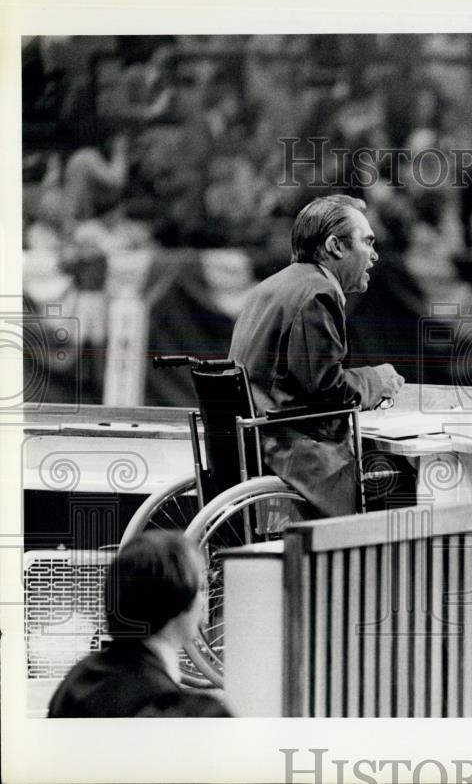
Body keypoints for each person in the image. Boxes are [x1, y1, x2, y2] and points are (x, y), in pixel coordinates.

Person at [228, 195, 405, 517]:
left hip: (255, 447)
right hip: (294, 456)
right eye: (367, 242)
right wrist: (375, 380)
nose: (375, 256)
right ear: (336, 246)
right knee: (399, 477)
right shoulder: (317, 293)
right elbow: (327, 390)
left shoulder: (270, 287)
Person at [48, 532, 230, 718]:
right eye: (200, 589)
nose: (204, 600)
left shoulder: (74, 683)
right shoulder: (195, 715)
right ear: (175, 600)